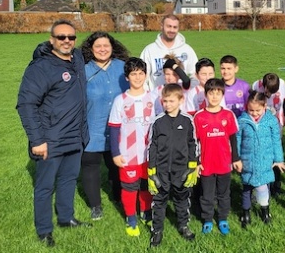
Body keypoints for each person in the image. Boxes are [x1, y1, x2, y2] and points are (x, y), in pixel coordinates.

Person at [16, 19, 92, 247]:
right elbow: (26, 104)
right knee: (45, 187)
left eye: (71, 37)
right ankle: (44, 230)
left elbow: (103, 51)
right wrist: (37, 140)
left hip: (75, 135)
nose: (66, 41)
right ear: (52, 40)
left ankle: (66, 218)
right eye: (61, 37)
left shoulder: (77, 58)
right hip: (51, 139)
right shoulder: (41, 68)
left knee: (68, 179)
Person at [80, 31, 130, 220]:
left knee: (117, 166)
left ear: (112, 47)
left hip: (118, 130)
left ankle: (118, 196)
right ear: (91, 49)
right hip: (92, 128)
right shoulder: (83, 70)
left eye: (106, 46)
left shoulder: (123, 68)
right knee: (90, 166)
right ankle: (95, 205)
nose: (102, 49)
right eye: (98, 46)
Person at [108, 57, 156, 237]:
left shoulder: (154, 98)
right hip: (128, 155)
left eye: (141, 73)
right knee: (129, 187)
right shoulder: (120, 100)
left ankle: (146, 211)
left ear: (146, 75)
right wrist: (116, 153)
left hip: (150, 155)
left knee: (146, 185)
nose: (137, 77)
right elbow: (113, 128)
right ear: (127, 77)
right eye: (133, 74)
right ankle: (131, 217)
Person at [148, 84, 198, 247]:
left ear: (180, 100)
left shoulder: (187, 121)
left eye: (171, 101)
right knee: (159, 200)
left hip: (181, 169)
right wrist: (151, 170)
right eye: (165, 101)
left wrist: (192, 165)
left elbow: (193, 143)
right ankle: (157, 230)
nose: (167, 104)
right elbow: (152, 146)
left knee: (182, 199)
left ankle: (183, 225)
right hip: (161, 170)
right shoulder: (158, 121)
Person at [193, 78, 242, 235]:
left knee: (223, 194)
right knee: (207, 195)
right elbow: (194, 142)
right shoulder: (199, 117)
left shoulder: (228, 115)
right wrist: (196, 162)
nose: (214, 97)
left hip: (224, 163)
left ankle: (222, 218)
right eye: (211, 93)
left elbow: (233, 139)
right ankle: (207, 219)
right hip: (206, 163)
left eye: (218, 93)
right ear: (206, 94)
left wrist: (236, 158)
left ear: (222, 94)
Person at [236, 91, 285, 228]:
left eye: (258, 110)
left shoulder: (271, 121)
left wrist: (278, 159)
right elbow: (237, 140)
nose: (254, 113)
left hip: (265, 161)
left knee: (263, 187)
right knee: (246, 188)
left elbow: (276, 141)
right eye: (251, 110)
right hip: (247, 161)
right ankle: (245, 212)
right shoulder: (242, 121)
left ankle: (265, 210)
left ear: (265, 106)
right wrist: (237, 159)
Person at [251, 73, 285, 197]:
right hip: (262, 128)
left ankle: (276, 185)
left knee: (276, 155)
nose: (270, 94)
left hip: (277, 126)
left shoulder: (282, 83)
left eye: (273, 91)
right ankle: (263, 185)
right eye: (268, 91)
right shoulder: (256, 85)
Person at [140, 14, 198, 91]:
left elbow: (195, 75)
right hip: (156, 98)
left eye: (175, 27)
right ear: (162, 26)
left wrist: (187, 92)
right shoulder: (149, 50)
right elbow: (142, 77)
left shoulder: (187, 50)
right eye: (169, 26)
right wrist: (148, 96)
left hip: (180, 98)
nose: (171, 30)